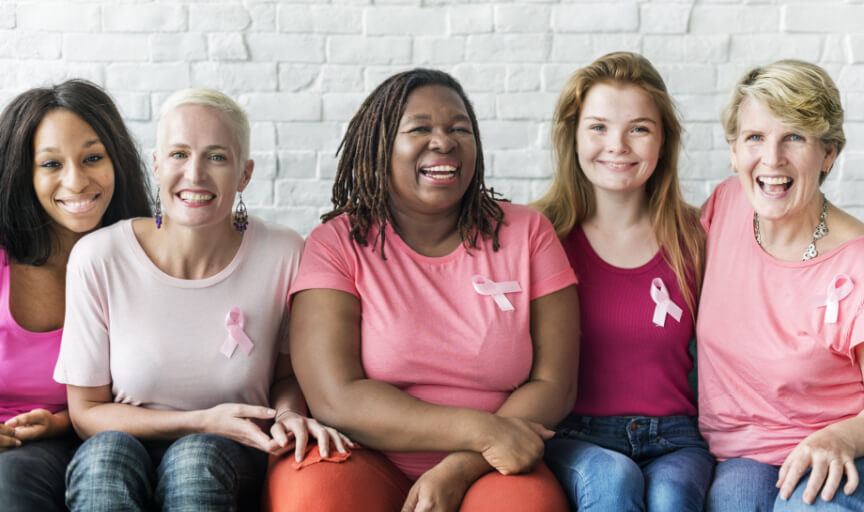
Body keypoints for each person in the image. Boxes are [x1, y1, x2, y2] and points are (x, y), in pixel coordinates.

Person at [264, 68, 579, 512]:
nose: (444, 142)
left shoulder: (528, 233)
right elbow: (336, 397)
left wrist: (462, 465)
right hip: (362, 454)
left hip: (491, 464)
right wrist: (482, 432)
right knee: (311, 500)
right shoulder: (336, 244)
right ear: (380, 148)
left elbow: (556, 384)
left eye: (459, 129)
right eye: (420, 129)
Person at [54, 88, 347, 512]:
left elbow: (286, 377)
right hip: (122, 447)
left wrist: (286, 414)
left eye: (216, 157)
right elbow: (86, 414)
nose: (194, 174)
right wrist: (199, 420)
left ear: (244, 174)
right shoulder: (99, 258)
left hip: (231, 455)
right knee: (105, 456)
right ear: (155, 165)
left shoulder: (285, 253)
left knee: (194, 458)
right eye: (178, 154)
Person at [533, 51, 712, 511]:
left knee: (672, 498)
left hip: (676, 438)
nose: (618, 145)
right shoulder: (539, 236)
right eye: (598, 127)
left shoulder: (699, 236)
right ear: (572, 137)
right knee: (612, 481)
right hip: (575, 436)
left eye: (639, 128)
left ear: (663, 141)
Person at [699, 60, 864, 511]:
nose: (772, 159)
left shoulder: (858, 264)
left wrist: (841, 437)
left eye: (794, 136)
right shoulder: (725, 207)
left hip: (838, 449)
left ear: (828, 153)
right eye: (755, 137)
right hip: (742, 455)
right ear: (734, 150)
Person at [0, 80, 151, 511]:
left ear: (116, 161)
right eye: (51, 164)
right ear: (22, 172)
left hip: (111, 441)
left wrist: (59, 424)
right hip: (15, 448)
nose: (76, 181)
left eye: (92, 158)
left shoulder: (147, 255)